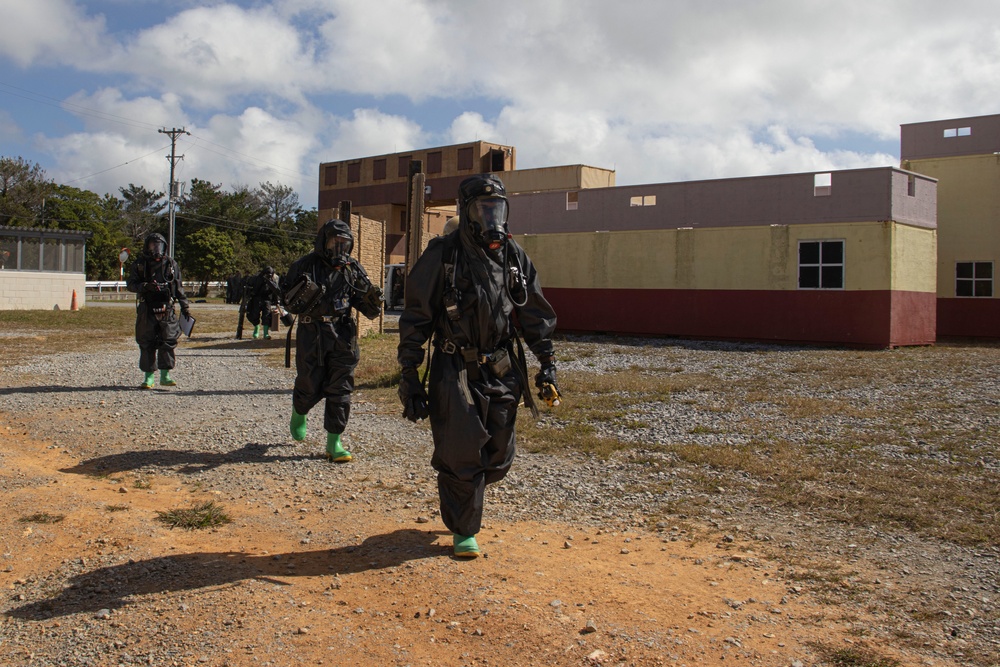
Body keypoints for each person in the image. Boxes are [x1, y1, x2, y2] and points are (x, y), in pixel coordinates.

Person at [397, 174, 559, 558]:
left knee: (499, 454)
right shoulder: (442, 254)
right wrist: (409, 375)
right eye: (483, 209)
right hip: (454, 366)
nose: (491, 217)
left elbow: (534, 312)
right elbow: (416, 316)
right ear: (466, 212)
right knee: (461, 448)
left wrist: (547, 364)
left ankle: (467, 494)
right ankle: (464, 529)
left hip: (501, 365)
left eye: (497, 209)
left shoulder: (513, 256)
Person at [282, 218, 383, 462]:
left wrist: (373, 299)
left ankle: (334, 441)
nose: (340, 247)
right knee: (309, 381)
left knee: (341, 387)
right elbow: (286, 299)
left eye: (345, 243)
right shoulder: (305, 265)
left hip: (343, 333)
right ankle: (300, 410)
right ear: (323, 242)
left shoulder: (352, 268)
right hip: (312, 333)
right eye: (335, 242)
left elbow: (366, 306)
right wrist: (303, 295)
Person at [126, 232, 192, 389]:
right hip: (146, 308)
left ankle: (165, 375)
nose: (156, 249)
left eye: (159, 245)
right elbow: (130, 284)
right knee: (146, 341)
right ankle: (148, 377)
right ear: (147, 246)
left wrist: (185, 307)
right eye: (153, 245)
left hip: (167, 307)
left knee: (168, 340)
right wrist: (144, 286)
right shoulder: (140, 264)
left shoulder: (171, 264)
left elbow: (178, 286)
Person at [245, 266, 281, 339]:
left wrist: (277, 301)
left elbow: (275, 291)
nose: (269, 275)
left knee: (267, 316)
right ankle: (256, 328)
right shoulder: (256, 279)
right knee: (253, 315)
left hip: (267, 300)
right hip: (256, 299)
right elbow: (249, 288)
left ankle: (266, 333)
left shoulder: (273, 281)